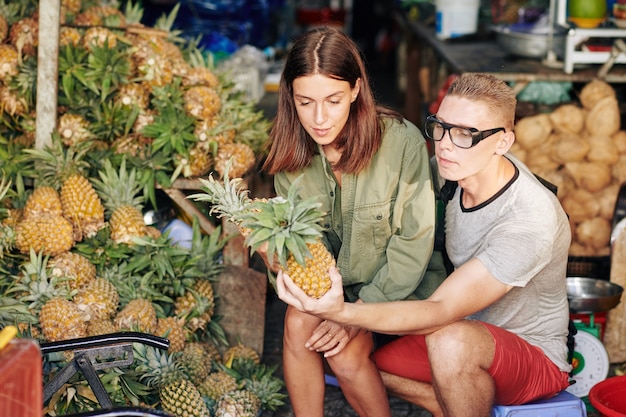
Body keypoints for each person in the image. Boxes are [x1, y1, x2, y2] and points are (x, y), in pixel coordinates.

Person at [276, 72, 573, 417]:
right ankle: (443, 403)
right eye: (441, 127)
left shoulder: (528, 218)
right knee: (334, 348)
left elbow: (441, 310)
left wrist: (344, 312)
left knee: (451, 343)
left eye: (466, 134)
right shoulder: (447, 174)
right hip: (453, 329)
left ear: (504, 142)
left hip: (529, 354)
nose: (445, 143)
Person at [261, 26, 447, 417]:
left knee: (343, 352)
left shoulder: (402, 142)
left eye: (333, 100)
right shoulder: (291, 164)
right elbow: (308, 252)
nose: (319, 117)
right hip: (337, 292)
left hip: (403, 290)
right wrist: (276, 259)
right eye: (305, 102)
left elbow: (414, 244)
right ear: (290, 98)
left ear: (356, 89)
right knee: (296, 324)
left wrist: (356, 313)